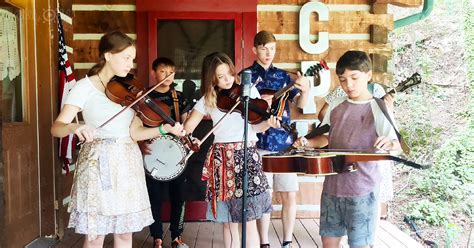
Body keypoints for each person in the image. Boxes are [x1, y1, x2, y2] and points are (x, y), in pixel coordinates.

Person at [50, 31, 185, 248]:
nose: (130, 64)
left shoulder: (131, 90)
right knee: (95, 235)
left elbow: (135, 133)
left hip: (127, 162)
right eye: (125, 58)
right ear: (108, 55)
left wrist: (163, 129)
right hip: (97, 165)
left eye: (132, 59)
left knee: (124, 234)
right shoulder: (84, 87)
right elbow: (57, 128)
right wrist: (76, 126)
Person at [294, 50, 402, 248]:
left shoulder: (379, 107)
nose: (348, 85)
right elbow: (326, 137)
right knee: (328, 242)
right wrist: (308, 143)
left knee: (359, 245)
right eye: (343, 80)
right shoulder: (336, 104)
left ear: (368, 75)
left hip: (363, 189)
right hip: (332, 187)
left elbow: (397, 145)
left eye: (354, 78)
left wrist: (389, 144)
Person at [183, 52, 280, 248]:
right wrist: (187, 136)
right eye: (220, 76)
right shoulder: (208, 99)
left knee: (249, 220)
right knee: (228, 223)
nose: (227, 79)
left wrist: (269, 124)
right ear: (211, 78)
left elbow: (255, 128)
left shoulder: (249, 92)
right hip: (222, 160)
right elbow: (187, 128)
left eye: (229, 73)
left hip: (247, 156)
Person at [243, 30, 310, 248]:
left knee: (289, 194)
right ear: (255, 50)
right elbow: (239, 110)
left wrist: (306, 90)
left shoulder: (283, 77)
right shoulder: (246, 76)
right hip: (259, 143)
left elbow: (300, 105)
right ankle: (264, 242)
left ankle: (287, 241)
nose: (268, 53)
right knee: (264, 196)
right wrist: (258, 100)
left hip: (284, 143)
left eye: (272, 48)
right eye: (263, 48)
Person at [138, 57, 191, 248]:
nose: (167, 76)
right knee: (155, 198)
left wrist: (187, 135)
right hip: (152, 153)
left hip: (176, 154)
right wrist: (140, 144)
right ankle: (157, 238)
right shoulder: (144, 97)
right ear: (153, 72)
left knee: (179, 197)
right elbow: (136, 125)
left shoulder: (180, 97)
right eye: (163, 71)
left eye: (171, 72)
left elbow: (186, 125)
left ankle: (177, 236)